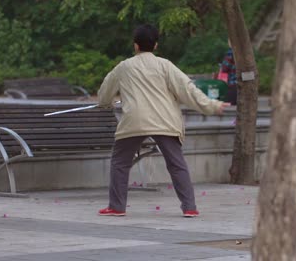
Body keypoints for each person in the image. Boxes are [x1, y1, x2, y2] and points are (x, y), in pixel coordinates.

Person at [97, 24, 230, 218]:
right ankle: (189, 207)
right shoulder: (165, 65)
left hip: (135, 120)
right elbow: (188, 90)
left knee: (120, 162)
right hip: (165, 120)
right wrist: (212, 106)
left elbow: (103, 96)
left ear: (135, 46)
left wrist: (108, 102)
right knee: (177, 164)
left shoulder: (123, 67)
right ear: (156, 45)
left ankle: (117, 207)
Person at [220, 40, 237, 105]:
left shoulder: (230, 53)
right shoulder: (243, 53)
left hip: (232, 85)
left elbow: (224, 68)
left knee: (229, 107)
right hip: (243, 85)